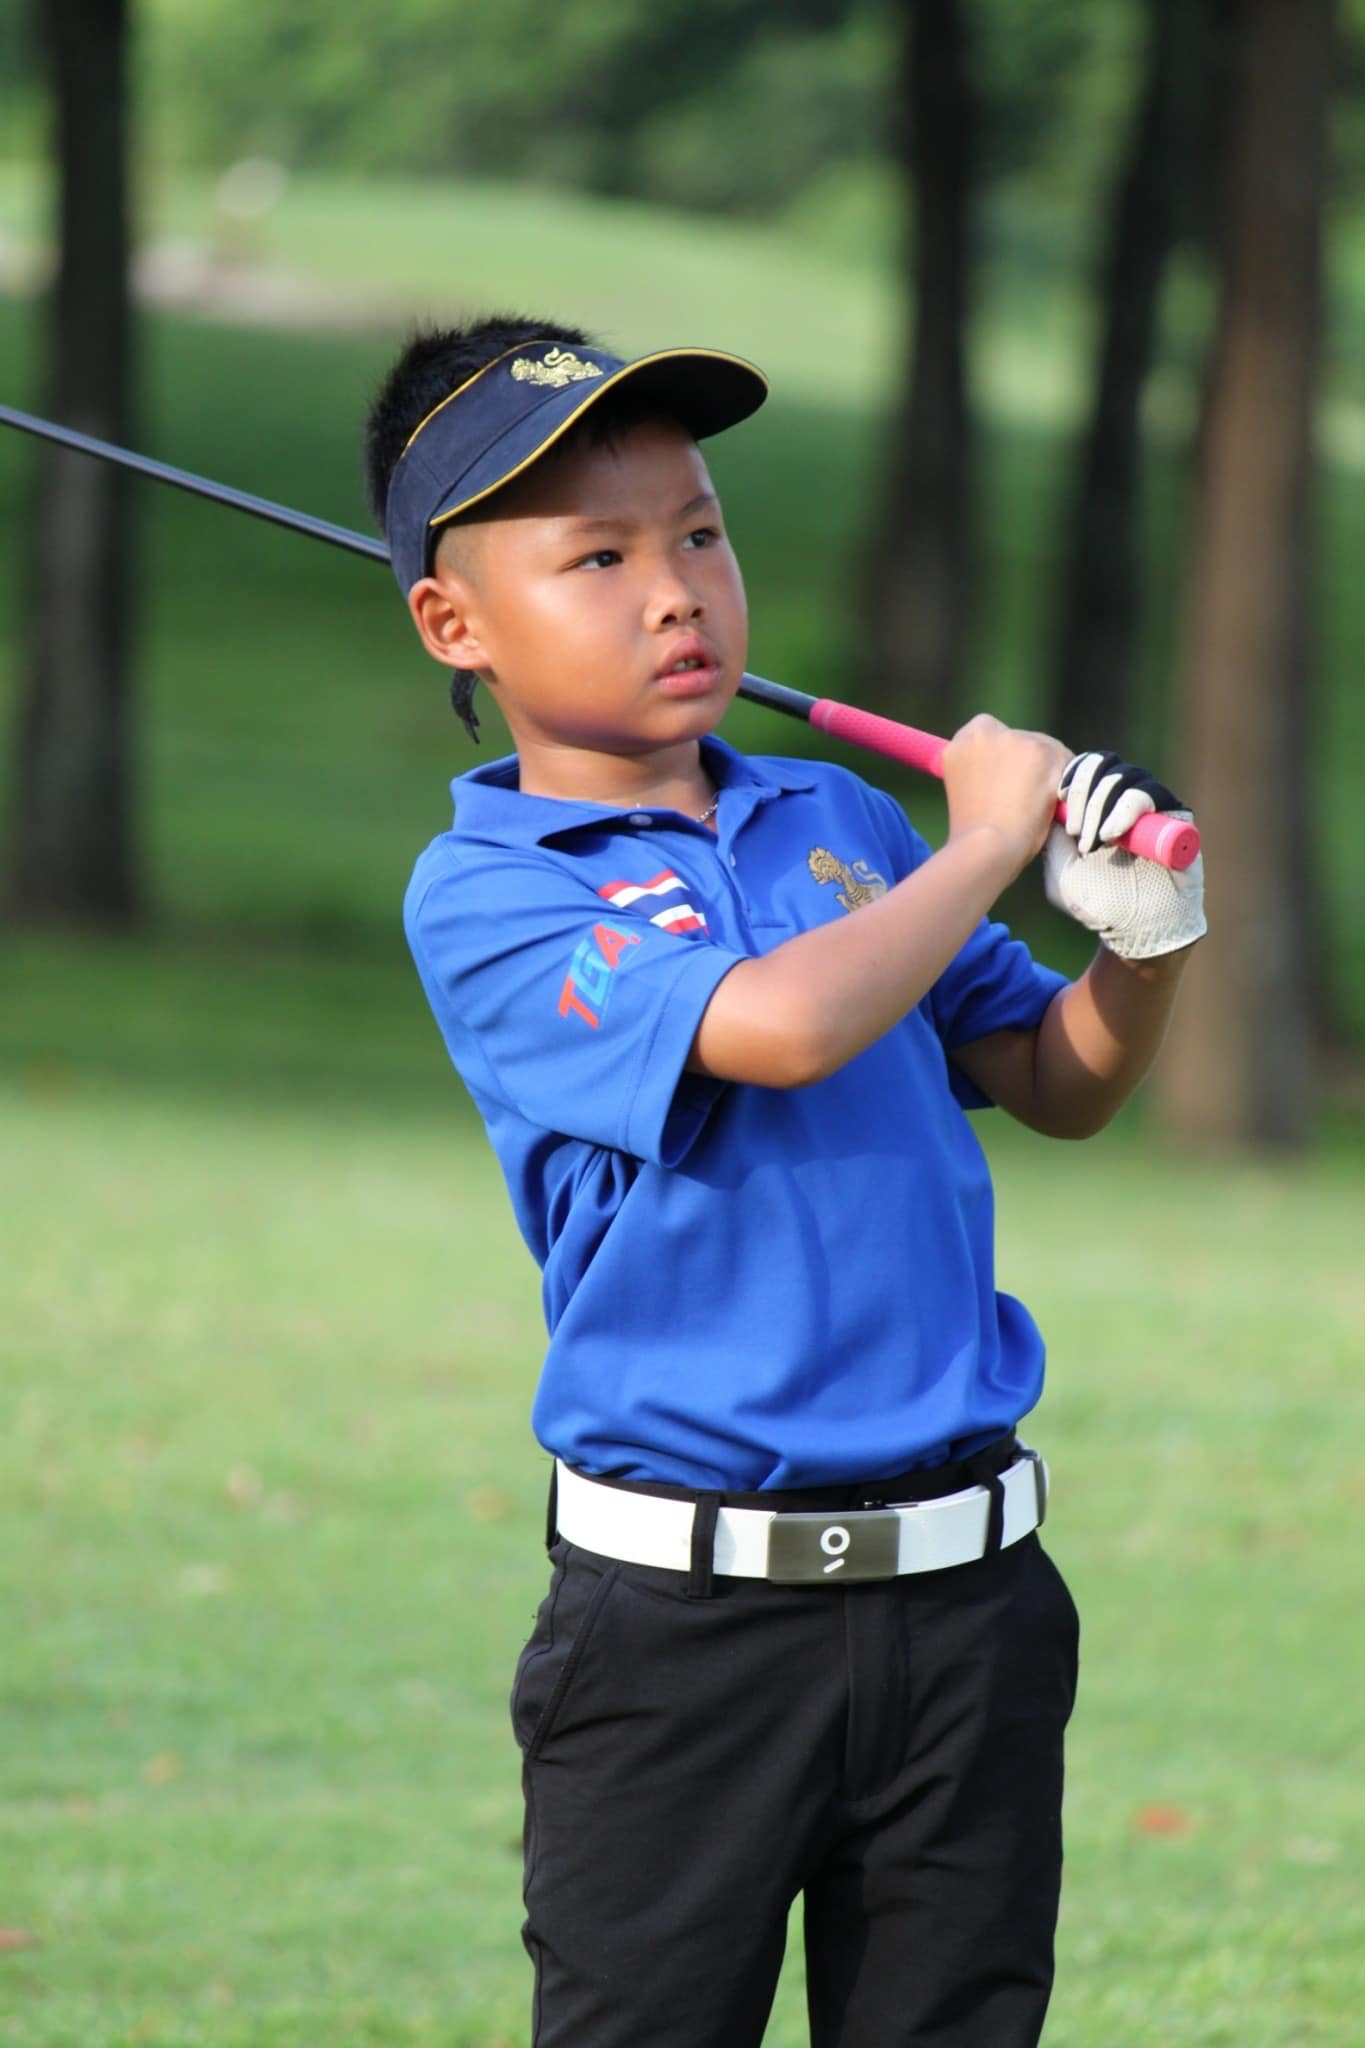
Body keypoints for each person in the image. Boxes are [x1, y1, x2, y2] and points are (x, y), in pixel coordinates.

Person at [364, 312, 1206, 2048]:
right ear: (456, 624)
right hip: (683, 1636)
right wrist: (990, 839)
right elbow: (778, 1027)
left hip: (967, 1605)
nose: (674, 594)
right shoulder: (491, 891)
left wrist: (1143, 942)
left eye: (697, 535)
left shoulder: (838, 823)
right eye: (597, 557)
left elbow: (1051, 1080)